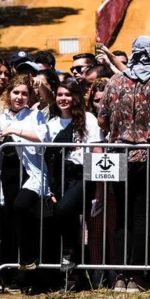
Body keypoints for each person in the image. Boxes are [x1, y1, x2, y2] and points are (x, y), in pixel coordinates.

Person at [96, 36, 150, 292]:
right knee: (143, 215)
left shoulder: (115, 80)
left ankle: (120, 276)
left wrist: (119, 129)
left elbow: (101, 121)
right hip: (146, 154)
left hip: (118, 155)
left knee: (122, 215)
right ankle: (138, 276)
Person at [0, 76, 48, 291]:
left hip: (31, 173)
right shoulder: (0, 119)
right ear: (8, 94)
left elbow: (42, 137)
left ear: (29, 97)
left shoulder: (35, 115)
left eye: (24, 94)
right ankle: (15, 276)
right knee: (11, 223)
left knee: (22, 208)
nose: (19, 97)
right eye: (16, 93)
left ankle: (30, 261)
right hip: (8, 175)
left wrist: (14, 131)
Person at [45, 77, 102, 275]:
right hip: (61, 175)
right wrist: (49, 187)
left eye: (68, 94)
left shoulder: (89, 119)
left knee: (64, 209)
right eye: (60, 94)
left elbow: (97, 151)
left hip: (84, 174)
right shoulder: (52, 123)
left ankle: (71, 251)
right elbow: (50, 158)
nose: (63, 98)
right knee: (65, 216)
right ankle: (73, 275)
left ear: (76, 97)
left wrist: (100, 188)